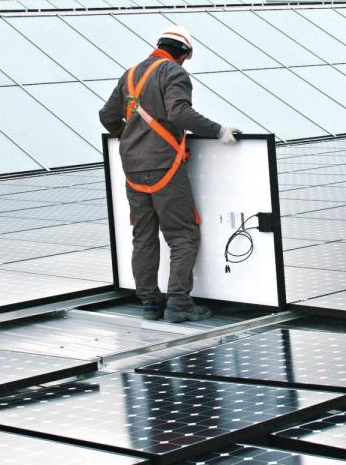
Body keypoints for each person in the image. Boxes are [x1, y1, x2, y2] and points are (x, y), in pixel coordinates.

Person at [99, 25, 240, 323]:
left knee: (144, 236)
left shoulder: (131, 74)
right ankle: (178, 303)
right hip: (165, 167)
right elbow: (179, 113)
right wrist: (219, 131)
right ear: (185, 54)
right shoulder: (174, 73)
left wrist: (131, 138)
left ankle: (150, 303)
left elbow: (107, 116)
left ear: (159, 45)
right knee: (182, 234)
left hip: (133, 169)